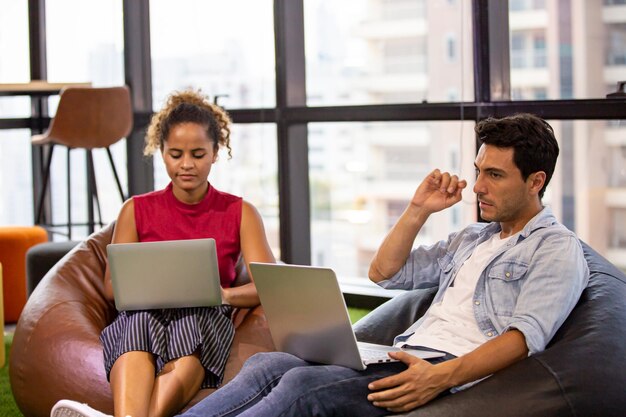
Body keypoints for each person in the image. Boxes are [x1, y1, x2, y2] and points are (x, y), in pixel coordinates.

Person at [161, 113, 589, 417]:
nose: (477, 186)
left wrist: (438, 379)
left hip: (442, 371)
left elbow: (523, 338)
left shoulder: (555, 248)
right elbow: (384, 272)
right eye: (478, 171)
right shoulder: (474, 238)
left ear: (536, 181)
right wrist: (418, 210)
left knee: (299, 386)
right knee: (267, 364)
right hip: (401, 353)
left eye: (495, 175)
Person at [51, 90, 276, 417]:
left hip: (206, 315)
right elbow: (112, 288)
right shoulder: (135, 209)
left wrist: (222, 295)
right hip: (145, 313)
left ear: (216, 153)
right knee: (137, 322)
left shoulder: (240, 212)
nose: (186, 165)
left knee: (195, 329)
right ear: (161, 152)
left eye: (198, 154)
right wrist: (150, 292)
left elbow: (267, 285)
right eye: (175, 154)